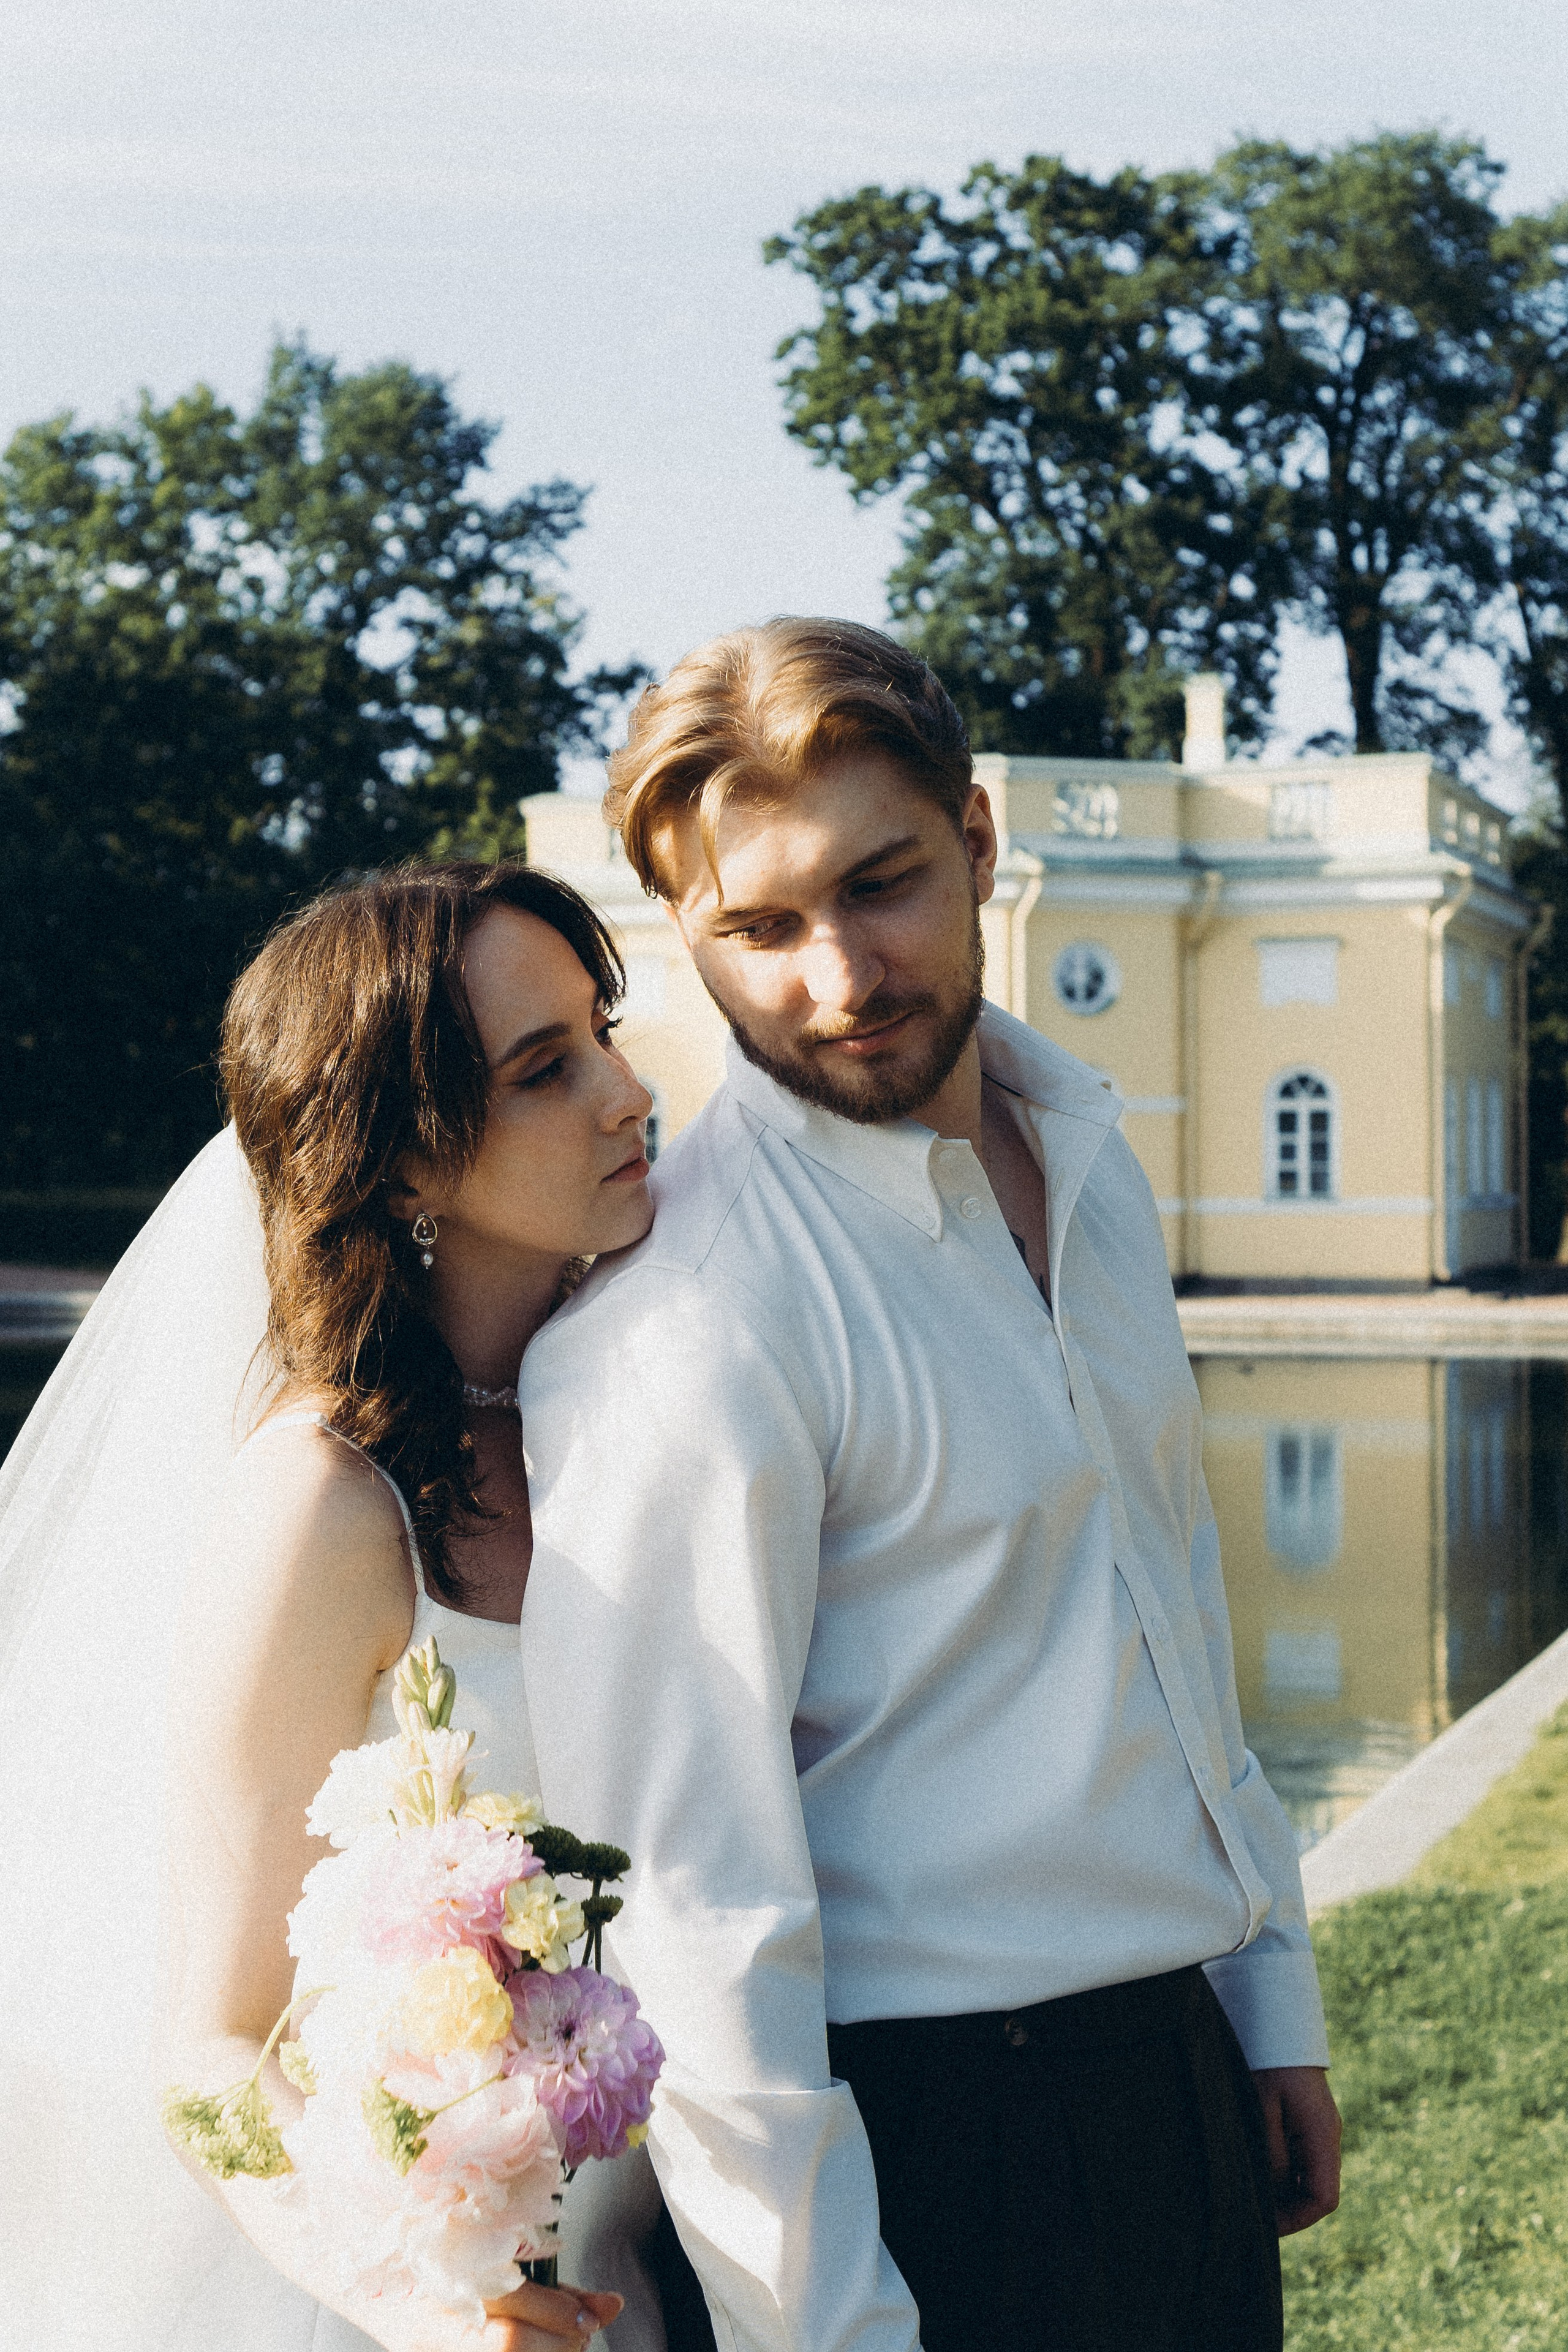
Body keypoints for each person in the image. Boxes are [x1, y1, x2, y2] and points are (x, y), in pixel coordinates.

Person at [518, 618, 1343, 2352]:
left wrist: (1267, 2000)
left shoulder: (1088, 1161)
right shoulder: (690, 1325)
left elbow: (1176, 1607)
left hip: (1171, 2073)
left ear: (978, 841)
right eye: (756, 928)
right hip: (923, 2147)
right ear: (689, 938)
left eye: (879, 884)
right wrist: (825, 2325)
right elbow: (694, 1910)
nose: (837, 977)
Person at [0, 863, 709, 2352]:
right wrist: (415, 2301)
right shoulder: (321, 1508)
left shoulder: (636, 1417)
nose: (628, 1093)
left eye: (603, 1031)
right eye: (544, 1069)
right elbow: (206, 2046)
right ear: (400, 1160)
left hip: (671, 2254)